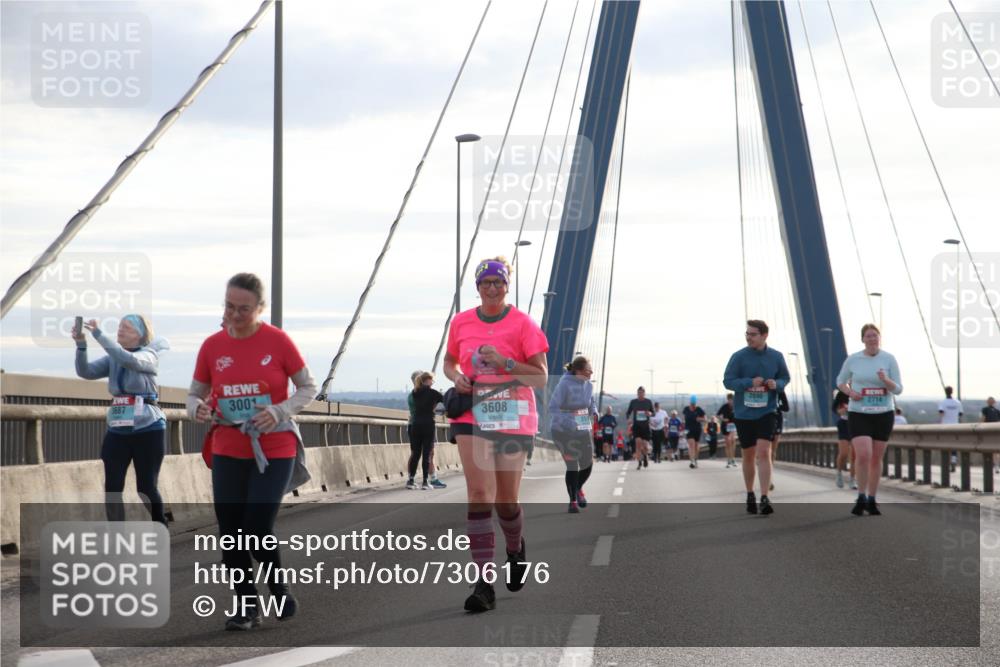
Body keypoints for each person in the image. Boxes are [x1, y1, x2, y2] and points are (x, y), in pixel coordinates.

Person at [188, 273, 317, 630]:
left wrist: (279, 411)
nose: (234, 314)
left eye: (243, 308)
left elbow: (308, 387)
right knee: (231, 531)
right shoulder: (212, 346)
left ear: (260, 308)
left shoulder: (278, 342)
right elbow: (194, 394)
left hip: (275, 447)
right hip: (228, 446)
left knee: (257, 526)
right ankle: (246, 606)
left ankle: (277, 587)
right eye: (229, 306)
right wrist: (196, 409)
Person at [442, 257, 549, 613]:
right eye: (485, 282)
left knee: (505, 501)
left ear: (506, 286)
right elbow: (449, 360)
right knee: (479, 493)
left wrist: (505, 363)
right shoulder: (461, 321)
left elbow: (540, 377)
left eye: (497, 282)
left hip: (513, 414)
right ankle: (483, 584)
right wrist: (455, 376)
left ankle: (515, 548)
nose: (491, 287)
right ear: (477, 287)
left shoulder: (523, 325)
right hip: (472, 412)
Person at [74, 314, 169, 526]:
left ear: (140, 335)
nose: (120, 330)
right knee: (112, 487)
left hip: (148, 428)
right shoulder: (113, 358)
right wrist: (81, 346)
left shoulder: (149, 355)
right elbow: (86, 371)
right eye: (119, 326)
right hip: (118, 429)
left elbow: (130, 360)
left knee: (146, 487)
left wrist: (98, 334)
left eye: (127, 328)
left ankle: (159, 524)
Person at [723, 319, 790, 516]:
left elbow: (785, 378)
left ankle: (764, 497)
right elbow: (728, 381)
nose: (748, 337)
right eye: (747, 334)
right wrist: (748, 382)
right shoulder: (738, 357)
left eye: (752, 334)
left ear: (764, 335)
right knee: (749, 454)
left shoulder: (776, 357)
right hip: (744, 413)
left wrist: (775, 384)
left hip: (767, 411)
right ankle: (750, 493)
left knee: (764, 451)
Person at [836, 323, 903, 517]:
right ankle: (861, 496)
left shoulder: (889, 359)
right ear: (862, 339)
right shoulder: (853, 359)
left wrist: (885, 380)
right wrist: (850, 392)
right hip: (859, 412)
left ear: (879, 338)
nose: (872, 339)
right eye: (868, 336)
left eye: (875, 336)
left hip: (883, 413)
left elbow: (898, 389)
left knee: (876, 458)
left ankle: (872, 499)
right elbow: (840, 381)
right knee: (863, 454)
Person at [549, 356, 598, 513]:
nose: (591, 372)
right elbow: (553, 407)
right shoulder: (564, 384)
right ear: (578, 371)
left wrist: (595, 411)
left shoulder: (589, 385)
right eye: (588, 370)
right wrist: (567, 420)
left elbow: (591, 402)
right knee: (572, 466)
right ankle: (573, 501)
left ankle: (578, 488)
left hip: (582, 426)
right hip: (563, 430)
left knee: (588, 463)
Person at [406, 371, 443, 490]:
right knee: (426, 453)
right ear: (428, 380)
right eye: (432, 380)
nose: (433, 382)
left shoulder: (414, 392)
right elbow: (445, 402)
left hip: (415, 424)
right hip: (428, 424)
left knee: (415, 453)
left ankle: (411, 480)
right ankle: (425, 482)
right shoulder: (433, 393)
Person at [626, 387, 654, 470]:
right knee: (638, 444)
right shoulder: (633, 402)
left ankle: (645, 456)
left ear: (644, 393)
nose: (640, 394)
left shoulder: (648, 402)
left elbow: (653, 413)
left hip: (645, 427)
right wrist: (629, 419)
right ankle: (639, 462)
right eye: (639, 392)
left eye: (642, 392)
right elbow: (628, 412)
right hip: (637, 427)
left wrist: (649, 413)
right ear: (637, 393)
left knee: (645, 445)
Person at [768, 390, 790, 490]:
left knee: (772, 451)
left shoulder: (779, 390)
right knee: (764, 452)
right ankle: (766, 476)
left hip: (777, 420)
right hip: (763, 420)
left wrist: (777, 406)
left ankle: (769, 478)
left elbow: (786, 407)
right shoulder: (761, 387)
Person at [833, 391, 855, 489]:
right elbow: (834, 408)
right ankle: (839, 474)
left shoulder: (861, 390)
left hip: (856, 424)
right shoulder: (842, 393)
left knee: (854, 455)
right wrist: (840, 410)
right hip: (844, 424)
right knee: (844, 453)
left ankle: (852, 480)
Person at [938, 386, 963, 470]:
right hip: (955, 426)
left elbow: (941, 412)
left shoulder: (943, 402)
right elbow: (960, 414)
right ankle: (953, 460)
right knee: (954, 445)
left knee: (945, 445)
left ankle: (946, 462)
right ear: (952, 391)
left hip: (945, 426)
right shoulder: (957, 402)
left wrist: (940, 422)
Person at [683, 396, 706, 468]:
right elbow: (684, 417)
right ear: (690, 403)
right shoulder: (686, 409)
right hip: (688, 429)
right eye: (692, 404)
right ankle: (692, 461)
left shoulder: (699, 409)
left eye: (694, 404)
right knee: (691, 444)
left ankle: (695, 459)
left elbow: (705, 419)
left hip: (697, 429)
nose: (693, 406)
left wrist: (700, 419)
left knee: (696, 445)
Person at [717, 393, 737, 468]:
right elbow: (717, 415)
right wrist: (723, 419)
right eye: (729, 400)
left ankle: (733, 459)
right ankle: (729, 460)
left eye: (732, 400)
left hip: (733, 425)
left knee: (732, 440)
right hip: (725, 426)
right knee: (728, 443)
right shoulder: (724, 406)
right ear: (728, 400)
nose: (730, 401)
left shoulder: (736, 406)